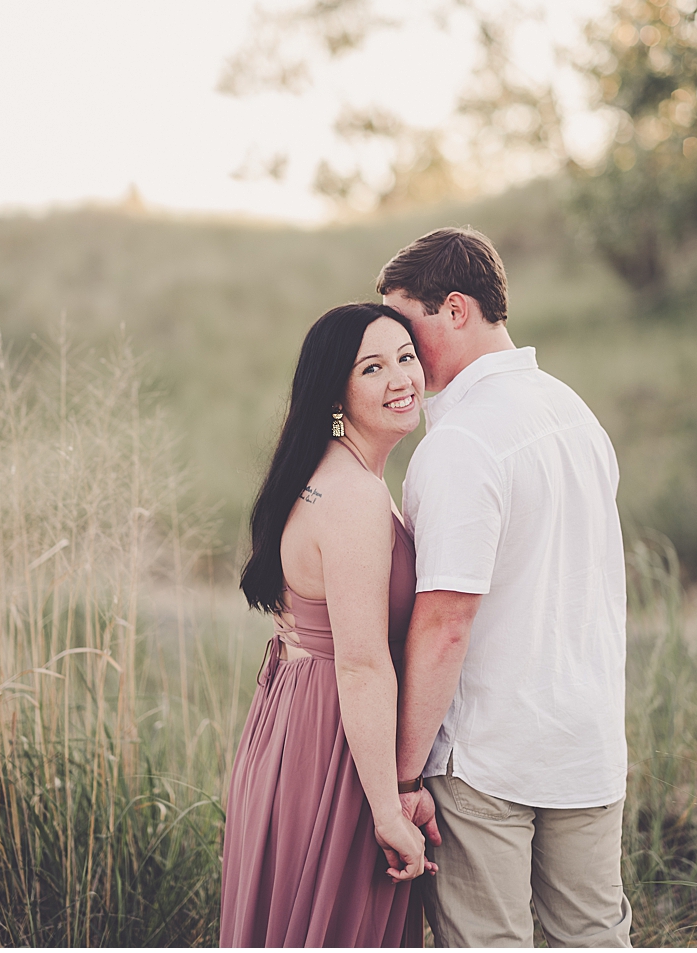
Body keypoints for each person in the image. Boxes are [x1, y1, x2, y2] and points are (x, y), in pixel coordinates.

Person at [380, 227, 631, 948]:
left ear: (455, 310)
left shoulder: (460, 442)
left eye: (407, 324)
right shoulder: (572, 411)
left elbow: (446, 623)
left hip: (486, 755)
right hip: (586, 741)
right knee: (591, 936)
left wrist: (403, 776)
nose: (399, 349)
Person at [219, 302, 438, 947]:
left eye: (406, 357)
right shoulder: (351, 497)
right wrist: (390, 807)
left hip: (301, 720)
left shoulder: (334, 478)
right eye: (373, 367)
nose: (402, 378)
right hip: (336, 741)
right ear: (336, 393)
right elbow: (363, 662)